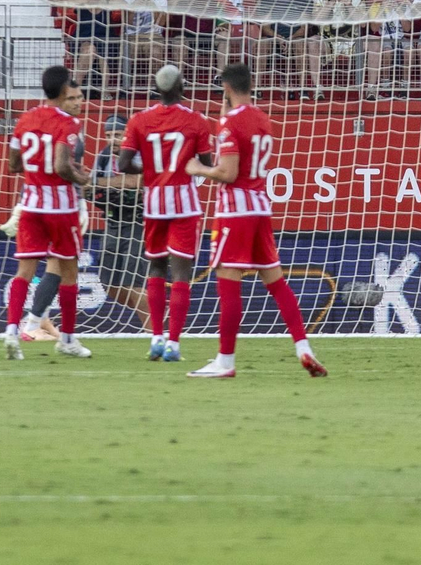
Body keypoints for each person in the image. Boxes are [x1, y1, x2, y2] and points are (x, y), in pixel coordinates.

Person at [183, 61, 327, 379]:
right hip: (261, 208)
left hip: (235, 211)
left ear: (227, 88)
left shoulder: (229, 123)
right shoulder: (263, 119)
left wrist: (198, 169)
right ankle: (304, 348)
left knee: (228, 281)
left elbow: (228, 173)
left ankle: (225, 361)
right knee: (275, 282)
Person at [117, 63, 215, 364]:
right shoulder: (197, 121)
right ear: (182, 88)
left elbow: (122, 165)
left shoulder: (139, 120)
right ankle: (174, 343)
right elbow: (206, 162)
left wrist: (149, 170)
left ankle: (156, 338)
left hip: (154, 202)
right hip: (183, 203)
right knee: (182, 273)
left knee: (156, 269)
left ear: (157, 90)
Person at [1, 64, 92, 360]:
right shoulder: (67, 124)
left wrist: (35, 170)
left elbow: (13, 165)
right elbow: (62, 166)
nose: (78, 102)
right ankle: (66, 339)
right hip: (60, 208)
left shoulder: (25, 119)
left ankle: (12, 332)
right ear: (64, 92)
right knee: (69, 273)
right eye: (74, 96)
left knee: (24, 272)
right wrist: (83, 178)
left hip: (30, 205)